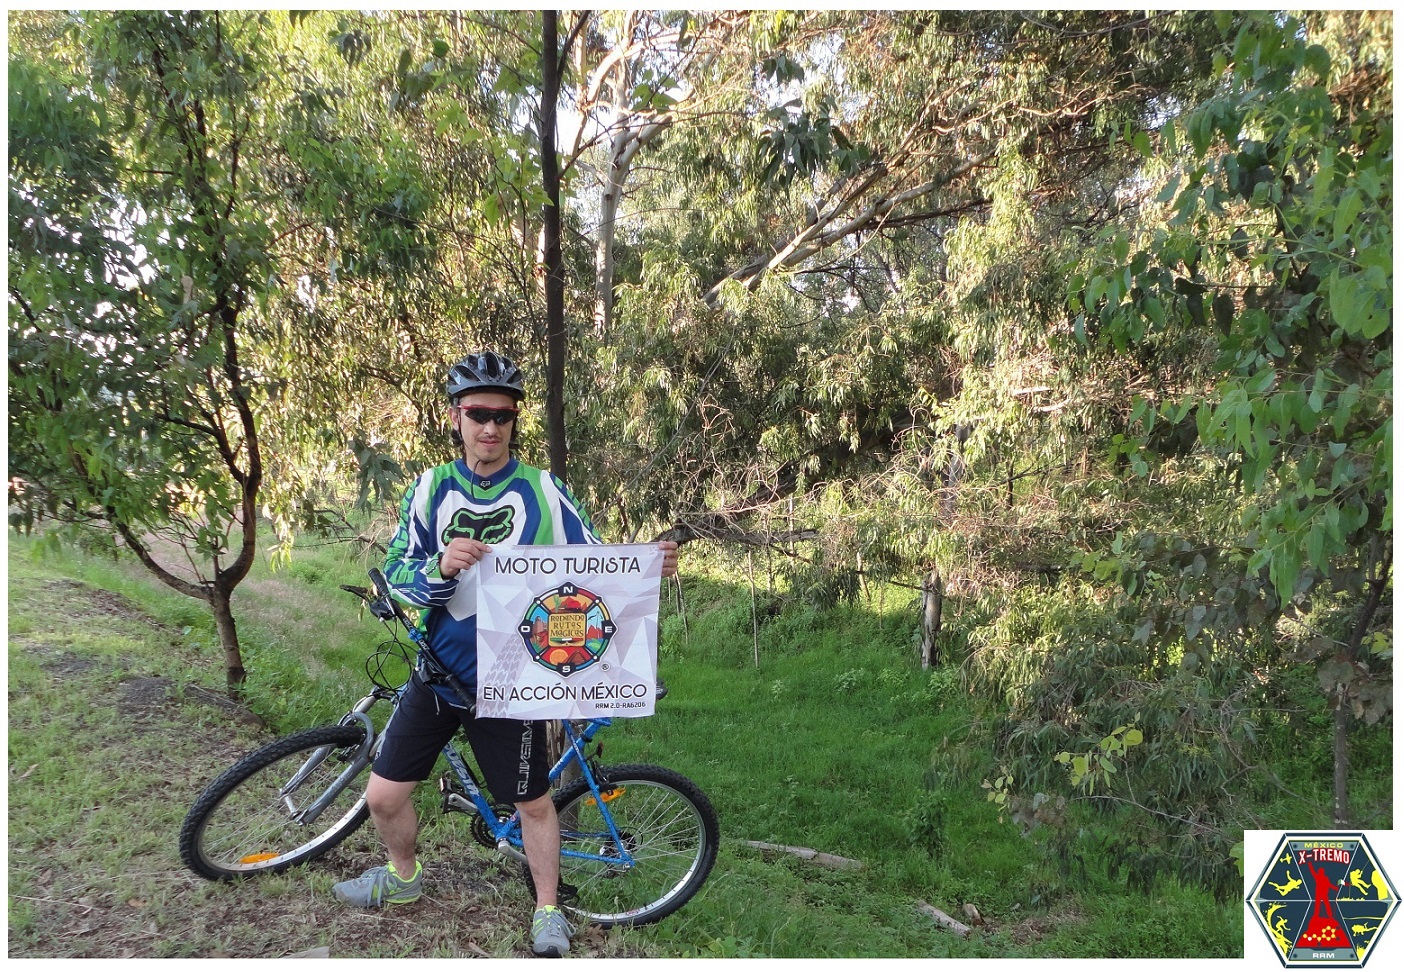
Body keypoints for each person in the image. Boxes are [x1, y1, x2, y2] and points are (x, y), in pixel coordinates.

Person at [332, 350, 679, 957]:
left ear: (515, 421)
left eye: (502, 415)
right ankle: (404, 877)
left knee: (533, 805)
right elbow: (394, 574)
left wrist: (647, 564)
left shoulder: (543, 490)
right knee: (384, 796)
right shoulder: (430, 489)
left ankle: (549, 910)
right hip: (439, 674)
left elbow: (597, 563)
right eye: (477, 414)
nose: (490, 427)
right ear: (456, 416)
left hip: (513, 679)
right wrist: (438, 566)